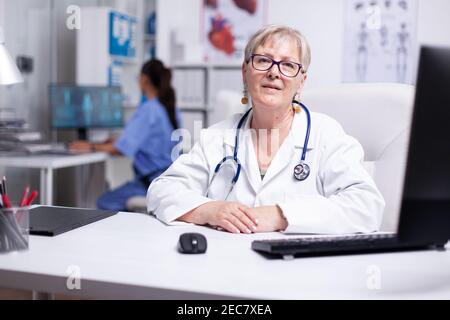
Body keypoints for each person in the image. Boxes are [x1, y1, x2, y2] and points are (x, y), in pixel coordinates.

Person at [147, 25, 385, 234]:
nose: (274, 72)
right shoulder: (217, 137)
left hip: (299, 273)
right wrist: (208, 209)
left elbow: (367, 206)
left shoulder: (326, 135)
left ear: (301, 81)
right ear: (245, 71)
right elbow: (162, 191)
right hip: (224, 267)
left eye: (288, 65)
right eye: (263, 60)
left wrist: (280, 216)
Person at [70, 59, 182, 211]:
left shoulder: (148, 109)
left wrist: (90, 145)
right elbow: (149, 142)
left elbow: (121, 149)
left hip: (151, 183)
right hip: (170, 181)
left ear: (144, 79)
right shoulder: (171, 109)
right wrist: (115, 142)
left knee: (105, 202)